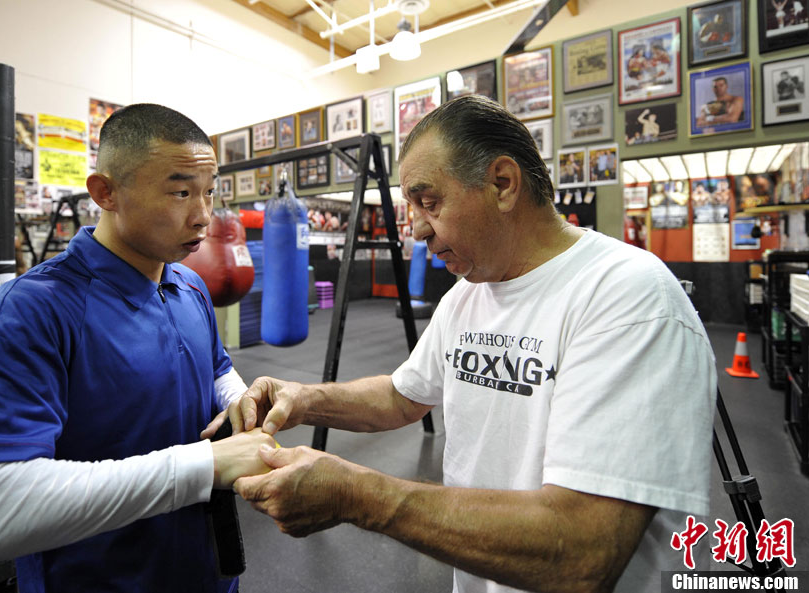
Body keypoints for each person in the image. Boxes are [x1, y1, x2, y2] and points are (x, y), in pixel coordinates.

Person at [218, 95, 717, 593]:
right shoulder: (469, 293)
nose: (415, 230)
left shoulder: (626, 295)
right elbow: (403, 395)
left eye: (428, 202)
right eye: (411, 208)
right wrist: (302, 399)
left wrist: (357, 495)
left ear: (503, 184)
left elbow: (584, 547)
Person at [0, 103, 276, 592]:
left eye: (209, 192)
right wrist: (206, 466)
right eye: (180, 192)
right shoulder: (29, 312)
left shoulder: (190, 287)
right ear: (105, 192)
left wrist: (236, 397)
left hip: (205, 572)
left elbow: (216, 366)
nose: (203, 217)